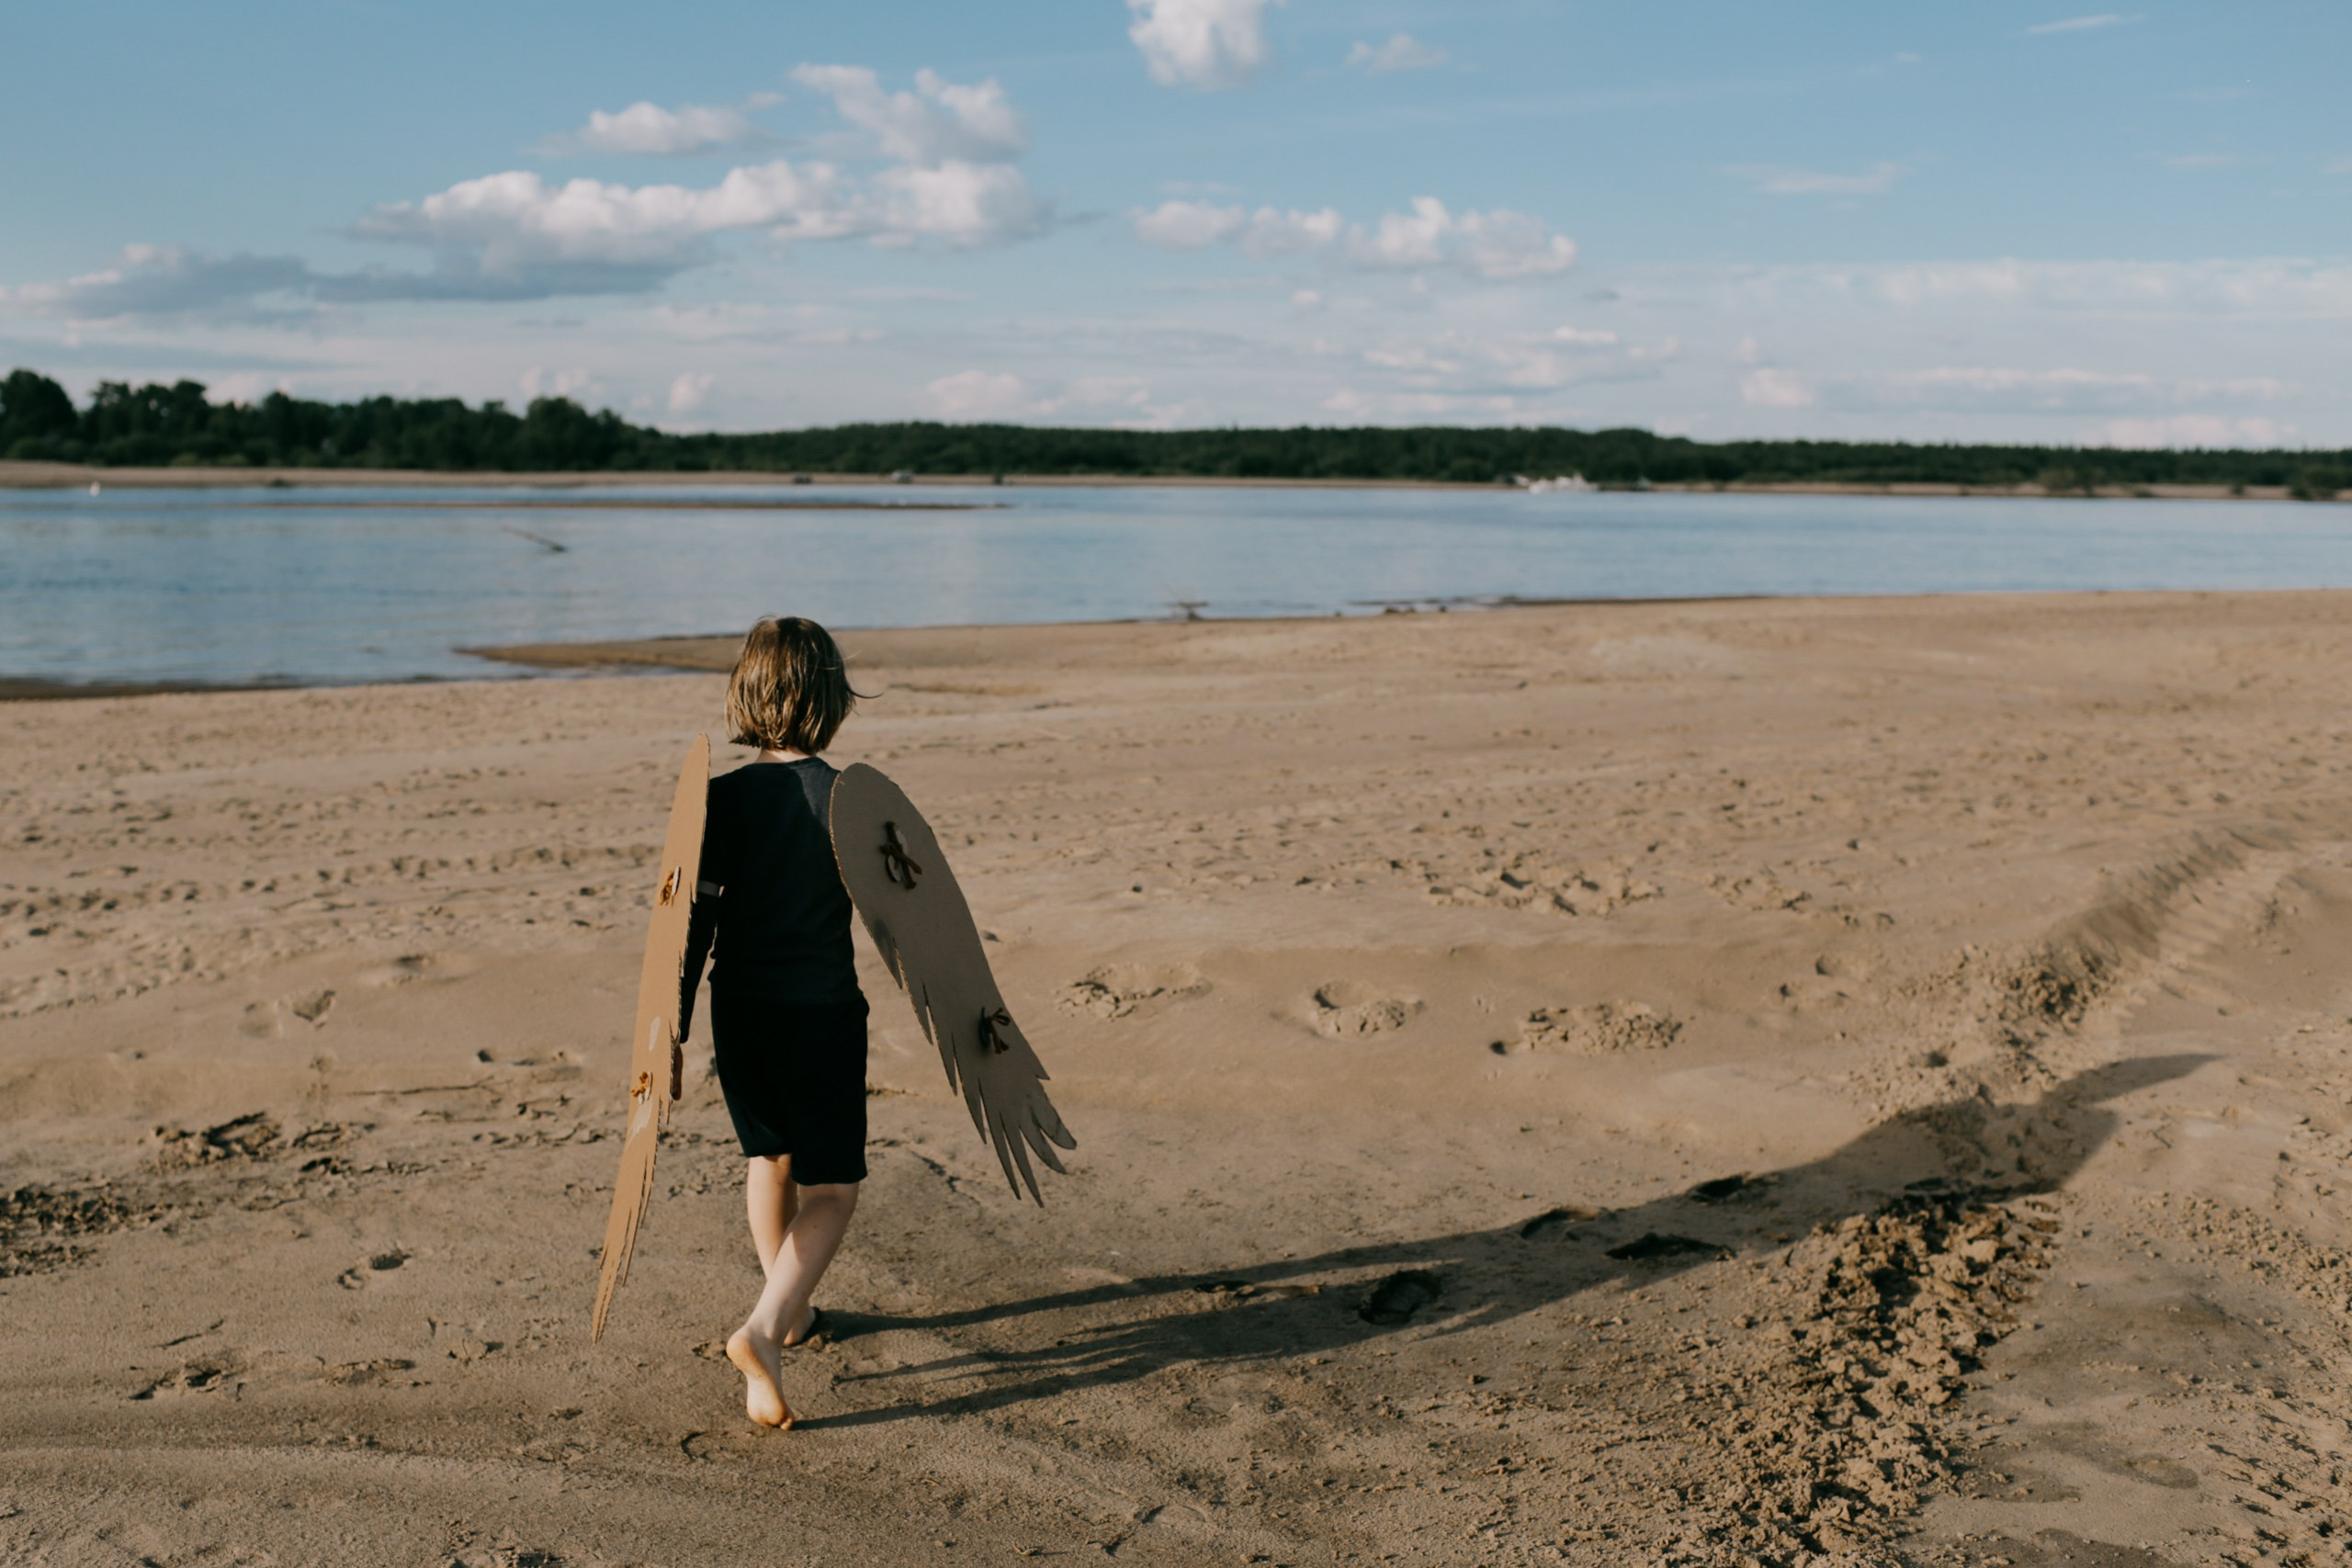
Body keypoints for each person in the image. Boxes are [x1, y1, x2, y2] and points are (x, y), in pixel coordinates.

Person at [679, 615, 870, 1430]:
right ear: (831, 699)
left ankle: (788, 1314)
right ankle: (765, 1326)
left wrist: (673, 1031)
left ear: (746, 696)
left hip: (741, 1013)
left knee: (769, 1158)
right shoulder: (847, 800)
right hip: (822, 1014)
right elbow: (903, 919)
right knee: (832, 1188)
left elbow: (687, 923)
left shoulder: (717, 800)